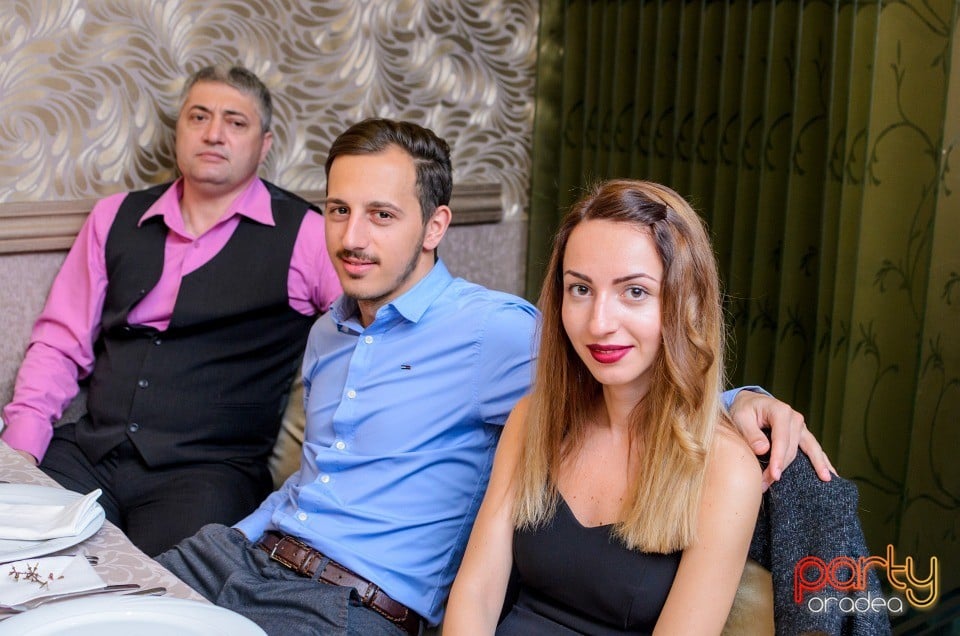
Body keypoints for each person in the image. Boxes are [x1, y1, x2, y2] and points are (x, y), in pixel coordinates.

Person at [157, 119, 832, 636]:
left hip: (344, 604)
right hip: (245, 554)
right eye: (338, 210)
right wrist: (242, 537)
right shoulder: (331, 335)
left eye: (382, 214)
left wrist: (741, 401)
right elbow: (470, 588)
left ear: (435, 226)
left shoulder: (493, 333)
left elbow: (639, 381)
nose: (353, 237)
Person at [0, 65, 342, 555]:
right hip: (89, 452)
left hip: (208, 473)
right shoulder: (114, 216)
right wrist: (20, 453)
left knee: (161, 588)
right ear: (179, 131)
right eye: (198, 116)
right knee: (20, 556)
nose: (214, 133)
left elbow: (367, 334)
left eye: (235, 122)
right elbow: (59, 344)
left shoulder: (306, 233)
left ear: (264, 144)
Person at [445, 179, 769, 634]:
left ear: (687, 302)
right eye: (580, 289)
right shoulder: (534, 419)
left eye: (634, 292)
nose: (598, 323)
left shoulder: (725, 468)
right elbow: (476, 595)